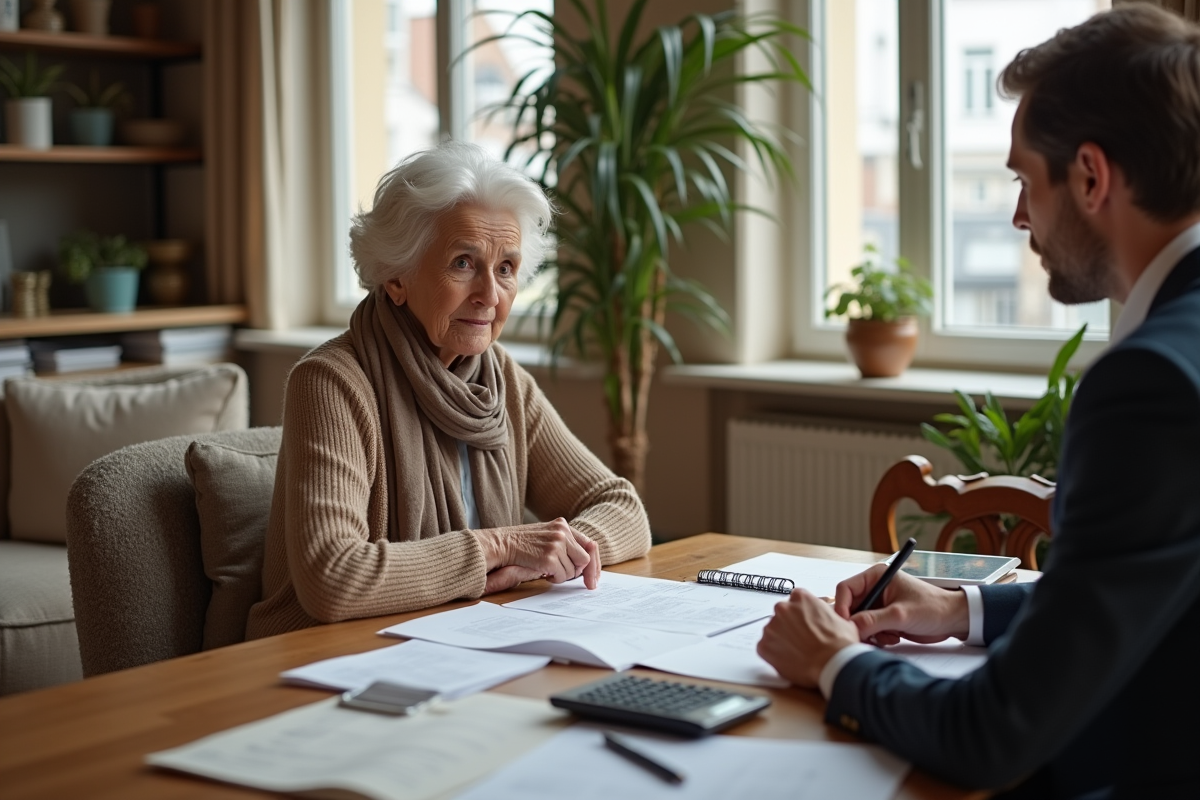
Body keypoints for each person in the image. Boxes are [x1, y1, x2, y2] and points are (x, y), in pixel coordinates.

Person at [758, 5, 1200, 798]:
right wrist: (962, 610)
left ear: (1092, 176)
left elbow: (992, 734)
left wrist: (834, 661)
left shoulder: (1152, 384)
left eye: (1026, 179)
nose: (1018, 215)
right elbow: (1136, 596)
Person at [246, 141, 651, 638]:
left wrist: (548, 555)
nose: (488, 294)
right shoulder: (332, 383)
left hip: (465, 641)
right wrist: (499, 548)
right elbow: (334, 577)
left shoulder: (501, 380)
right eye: (463, 263)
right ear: (397, 277)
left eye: (506, 269)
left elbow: (624, 508)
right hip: (322, 659)